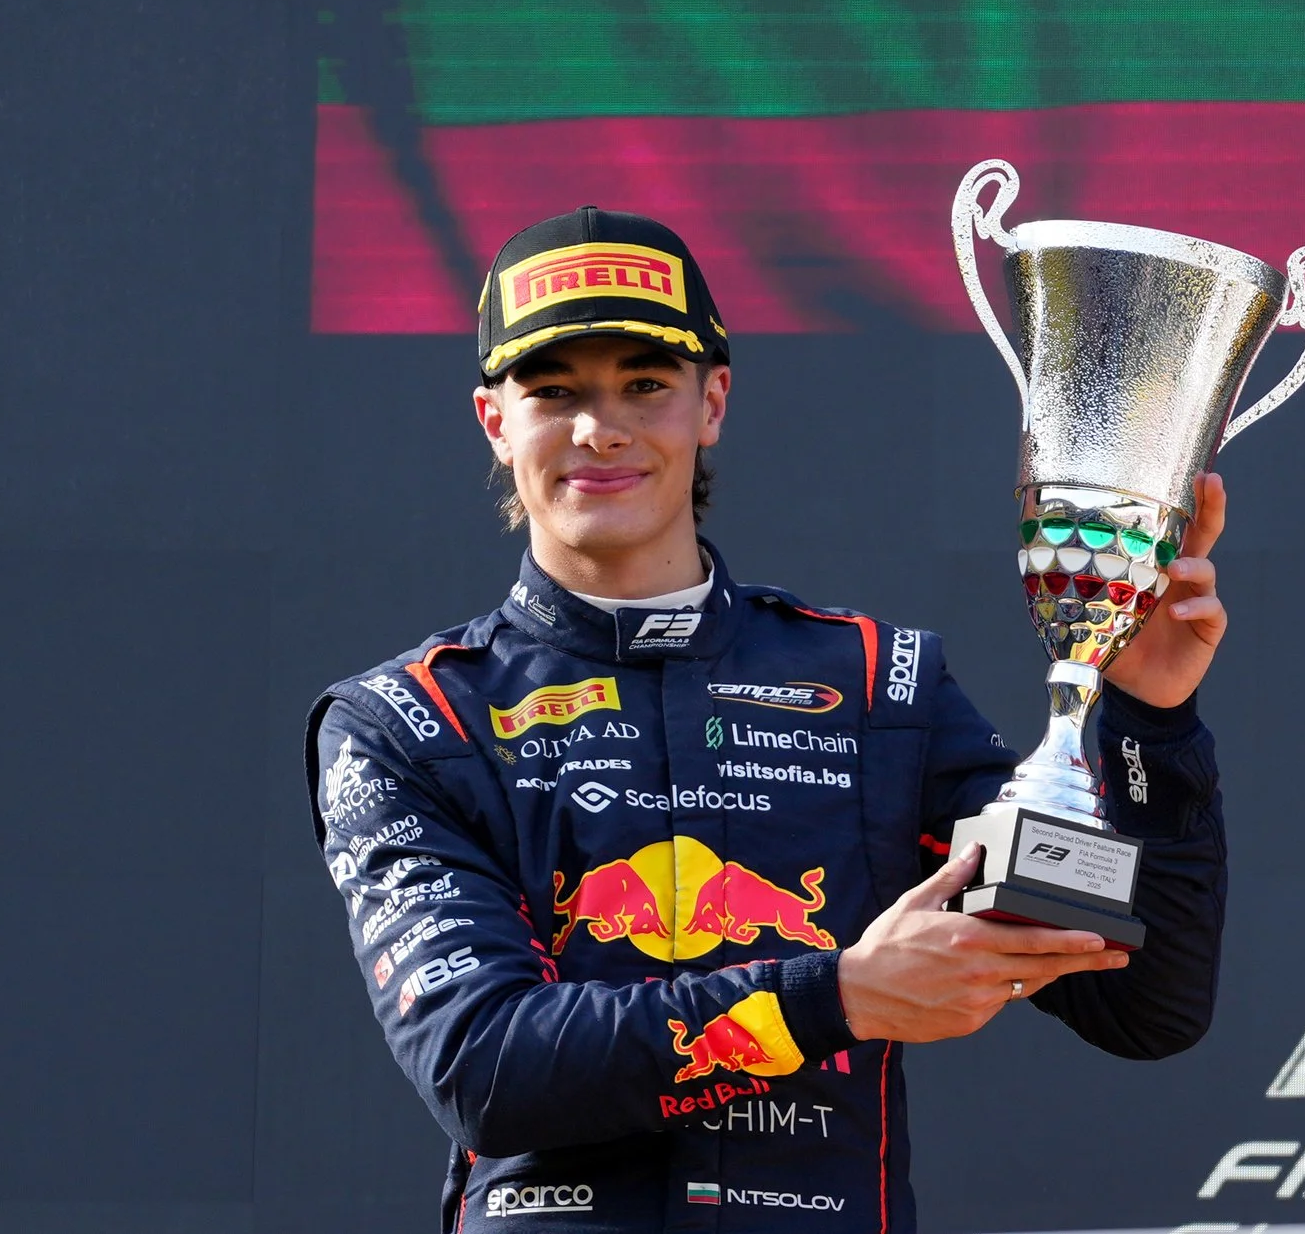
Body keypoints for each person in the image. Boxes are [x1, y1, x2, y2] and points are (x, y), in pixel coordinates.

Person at [307, 207, 1228, 1233]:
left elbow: (1142, 1003)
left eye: (645, 386)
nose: (599, 429)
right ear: (495, 421)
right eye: (554, 392)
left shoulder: (878, 687)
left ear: (713, 403)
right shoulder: (409, 721)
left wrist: (1148, 718)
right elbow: (486, 1073)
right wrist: (838, 997)